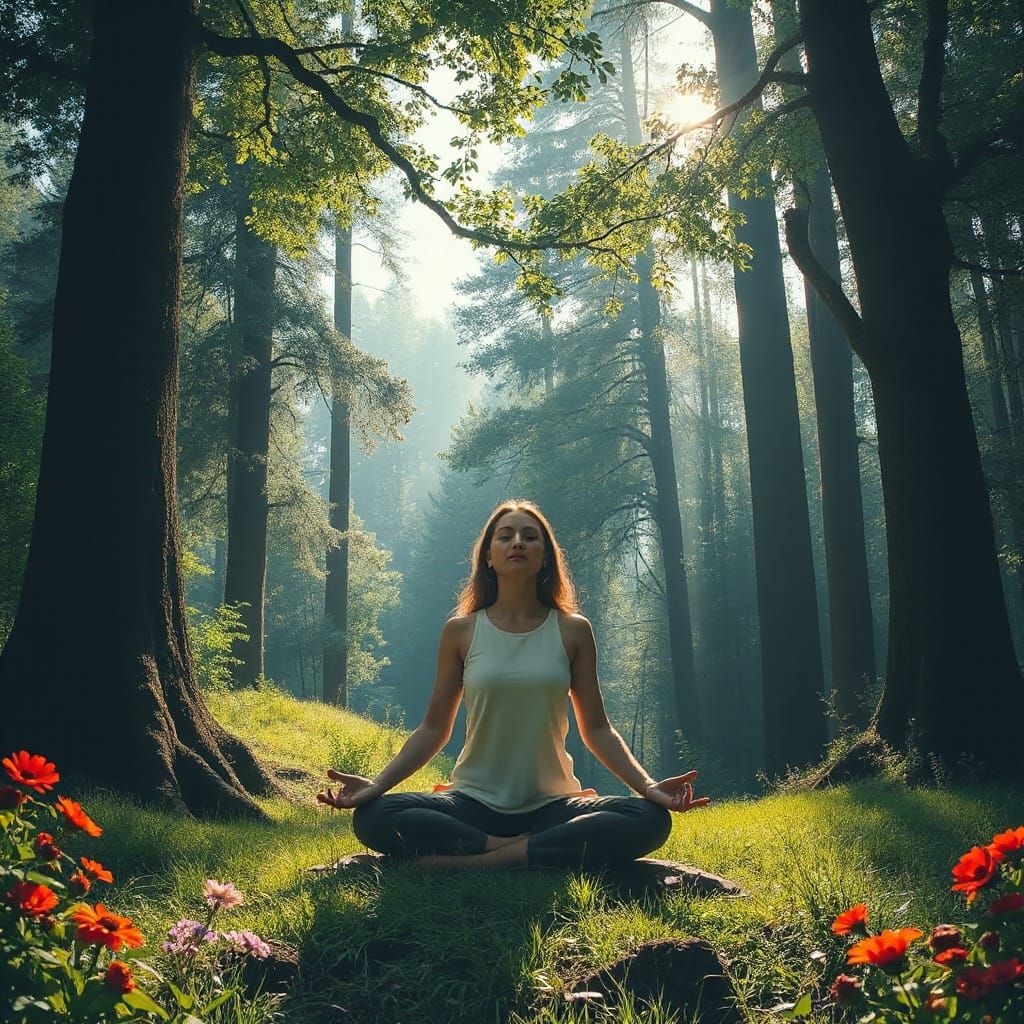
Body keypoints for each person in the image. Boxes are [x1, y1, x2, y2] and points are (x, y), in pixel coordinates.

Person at [317, 499, 709, 870]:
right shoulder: (461, 632)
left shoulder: (573, 631)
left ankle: (483, 861)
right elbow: (434, 729)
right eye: (505, 536)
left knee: (648, 819)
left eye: (529, 536)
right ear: (489, 556)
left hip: (553, 805)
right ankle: (524, 850)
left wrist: (649, 786)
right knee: (375, 817)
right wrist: (377, 785)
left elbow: (598, 728)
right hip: (472, 802)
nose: (517, 542)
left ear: (545, 557)